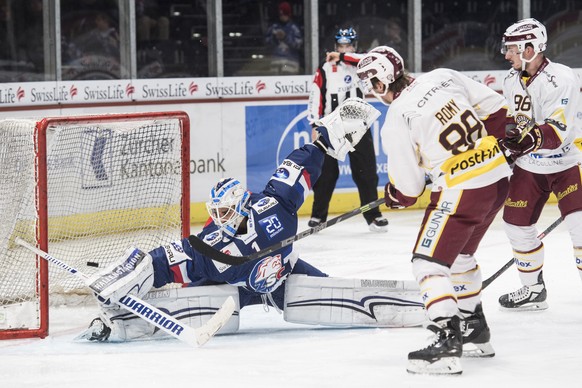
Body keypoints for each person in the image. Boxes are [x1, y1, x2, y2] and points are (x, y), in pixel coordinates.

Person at [77, 98, 425, 343]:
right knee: (178, 308)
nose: (219, 219)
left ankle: (421, 305)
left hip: (286, 277)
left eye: (226, 212)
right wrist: (135, 270)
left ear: (243, 206)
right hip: (231, 295)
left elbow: (301, 163)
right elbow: (164, 261)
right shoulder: (210, 246)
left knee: (337, 298)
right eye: (216, 213)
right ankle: (117, 324)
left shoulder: (273, 206)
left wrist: (328, 137)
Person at [356, 46, 514, 374]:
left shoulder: (397, 116)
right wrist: (497, 148)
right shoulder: (443, 76)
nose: (371, 90)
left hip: (461, 189)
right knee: (460, 258)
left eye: (371, 83)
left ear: (382, 81)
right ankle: (475, 331)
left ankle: (447, 341)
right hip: (498, 178)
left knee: (427, 263)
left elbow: (410, 190)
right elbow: (498, 111)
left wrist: (394, 194)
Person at [497, 18, 582, 311]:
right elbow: (511, 118)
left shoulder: (562, 78)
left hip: (568, 162)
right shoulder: (511, 79)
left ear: (531, 48)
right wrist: (505, 142)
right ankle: (533, 289)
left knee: (580, 227)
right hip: (530, 166)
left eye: (512, 49)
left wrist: (523, 141)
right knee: (515, 224)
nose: (507, 55)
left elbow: (556, 132)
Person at [307, 27, 388, 232]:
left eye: (348, 45)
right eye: (340, 45)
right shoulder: (324, 68)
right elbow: (316, 96)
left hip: (358, 125)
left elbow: (368, 60)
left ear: (354, 46)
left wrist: (343, 56)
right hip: (332, 125)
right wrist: (315, 124)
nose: (343, 48)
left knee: (366, 173)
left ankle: (373, 216)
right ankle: (318, 217)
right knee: (326, 174)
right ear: (335, 45)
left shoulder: (360, 65)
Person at [264, 1, 303, 75]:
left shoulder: (294, 28)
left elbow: (298, 45)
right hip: (276, 60)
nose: (283, 16)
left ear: (289, 14)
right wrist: (275, 39)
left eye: (285, 14)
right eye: (281, 14)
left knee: (290, 83)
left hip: (291, 61)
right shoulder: (274, 27)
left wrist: (285, 37)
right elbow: (267, 43)